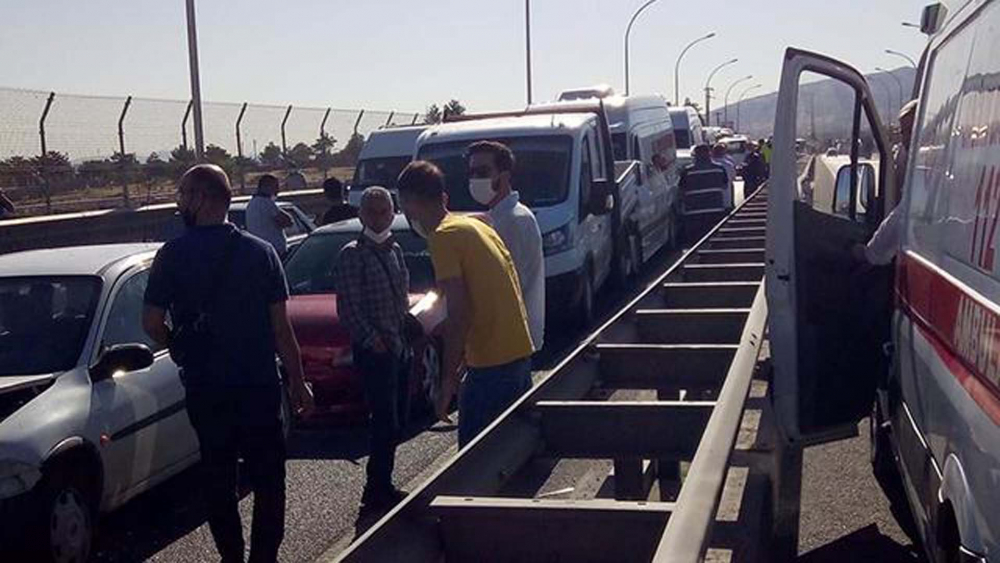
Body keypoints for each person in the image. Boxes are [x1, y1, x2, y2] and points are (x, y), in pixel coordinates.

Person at [142, 164, 313, 563]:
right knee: (269, 479)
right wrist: (299, 382)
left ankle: (232, 558)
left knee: (218, 480)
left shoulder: (172, 255)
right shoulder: (261, 253)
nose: (179, 201)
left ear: (201, 199)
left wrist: (180, 343)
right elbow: (281, 329)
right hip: (258, 385)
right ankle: (264, 558)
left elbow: (151, 323)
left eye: (183, 194)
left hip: (207, 387)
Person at [396, 161, 533, 447]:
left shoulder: (444, 238)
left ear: (410, 202)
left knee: (473, 466)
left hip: (492, 363)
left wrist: (446, 382)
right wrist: (462, 365)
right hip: (517, 352)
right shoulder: (476, 225)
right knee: (514, 454)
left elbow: (459, 312)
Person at [332, 186, 410, 509]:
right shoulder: (353, 254)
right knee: (384, 421)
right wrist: (372, 340)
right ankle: (376, 488)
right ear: (361, 215)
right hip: (376, 352)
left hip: (399, 346)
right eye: (373, 211)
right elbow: (348, 307)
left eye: (385, 211)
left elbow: (401, 296)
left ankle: (384, 482)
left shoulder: (395, 250)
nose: (379, 218)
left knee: (398, 420)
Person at [465, 140, 545, 352]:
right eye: (472, 172)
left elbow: (506, 286)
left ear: (505, 176)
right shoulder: (499, 217)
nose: (475, 178)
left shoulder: (514, 221)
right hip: (505, 341)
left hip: (507, 343)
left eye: (483, 171)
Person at [852, 98, 919, 266]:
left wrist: (871, 253)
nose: (906, 138)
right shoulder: (909, 157)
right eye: (903, 132)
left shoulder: (931, 164)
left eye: (913, 130)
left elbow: (904, 214)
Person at [246, 174, 293, 257]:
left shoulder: (251, 204)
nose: (277, 190)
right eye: (275, 186)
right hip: (274, 252)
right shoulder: (266, 203)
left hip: (259, 250)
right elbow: (288, 221)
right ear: (267, 186)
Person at [679, 144, 732, 212]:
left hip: (693, 211)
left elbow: (681, 190)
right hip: (715, 208)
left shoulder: (687, 171)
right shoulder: (719, 169)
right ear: (709, 154)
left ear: (695, 156)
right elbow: (725, 186)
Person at [711, 142, 737, 209]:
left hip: (711, 201)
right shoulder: (728, 165)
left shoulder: (707, 165)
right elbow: (733, 177)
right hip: (726, 199)